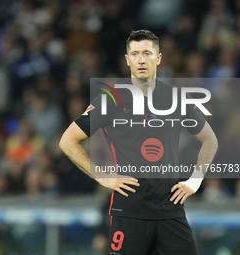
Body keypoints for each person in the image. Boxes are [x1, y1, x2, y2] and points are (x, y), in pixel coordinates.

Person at [59, 30, 218, 255]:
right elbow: (68, 140)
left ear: (159, 58)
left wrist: (195, 180)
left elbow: (210, 139)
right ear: (127, 60)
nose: (141, 59)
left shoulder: (176, 97)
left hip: (170, 211)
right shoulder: (111, 99)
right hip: (129, 211)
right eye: (134, 54)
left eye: (146, 53)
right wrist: (102, 176)